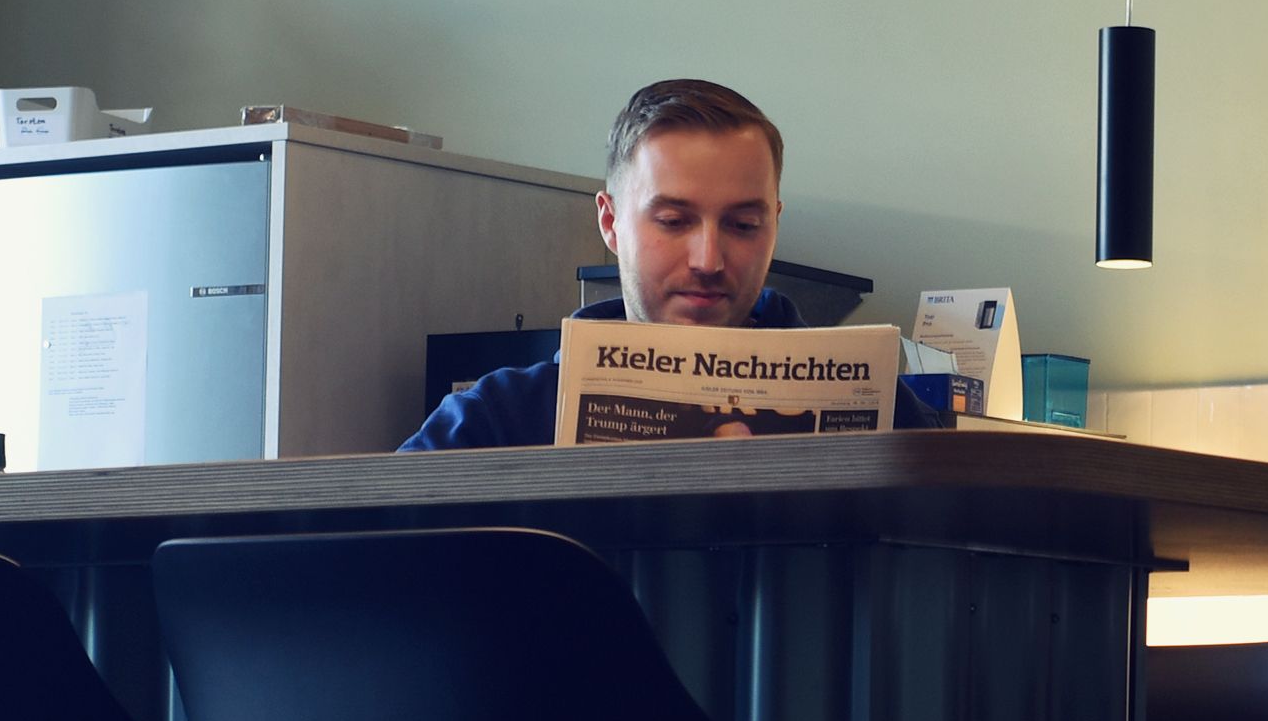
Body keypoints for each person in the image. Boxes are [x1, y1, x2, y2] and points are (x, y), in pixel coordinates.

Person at [400, 76, 944, 447]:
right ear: (610, 222)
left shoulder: (886, 410)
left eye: (743, 225)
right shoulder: (495, 418)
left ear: (774, 224)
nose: (708, 260)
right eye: (673, 220)